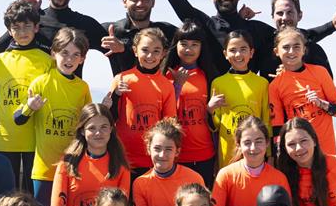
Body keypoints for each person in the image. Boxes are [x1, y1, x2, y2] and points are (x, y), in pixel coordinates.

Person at [14, 28, 92, 206]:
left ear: (82, 59)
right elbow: (18, 118)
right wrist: (30, 107)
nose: (69, 59)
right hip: (44, 167)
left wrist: (103, 109)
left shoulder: (82, 87)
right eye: (64, 53)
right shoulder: (41, 83)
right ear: (53, 53)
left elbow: (87, 126)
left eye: (75, 54)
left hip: (72, 166)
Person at [0, 0, 54, 192]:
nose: (22, 32)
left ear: (36, 27)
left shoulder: (47, 60)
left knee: (33, 196)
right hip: (5, 138)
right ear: (9, 30)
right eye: (16, 27)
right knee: (7, 194)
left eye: (27, 26)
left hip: (36, 139)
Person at [105, 28, 176, 179]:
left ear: (163, 54)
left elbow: (169, 125)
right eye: (145, 50)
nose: (150, 56)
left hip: (152, 159)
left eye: (156, 51)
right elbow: (109, 118)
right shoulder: (122, 79)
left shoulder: (166, 85)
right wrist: (117, 95)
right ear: (135, 51)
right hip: (122, 157)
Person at [269, 27, 336, 155]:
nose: (291, 51)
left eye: (296, 46)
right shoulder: (274, 86)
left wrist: (322, 104)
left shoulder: (320, 72)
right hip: (299, 155)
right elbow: (277, 127)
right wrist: (278, 156)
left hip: (327, 153)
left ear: (304, 50)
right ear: (276, 51)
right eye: (286, 47)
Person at [163, 20, 219, 185]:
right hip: (176, 154)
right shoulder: (166, 75)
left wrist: (210, 110)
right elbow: (165, 110)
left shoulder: (208, 75)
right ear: (176, 45)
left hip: (205, 153)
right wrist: (178, 84)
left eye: (195, 44)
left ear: (202, 47)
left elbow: (216, 120)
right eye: (184, 43)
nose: (189, 49)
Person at [133, 118, 205, 206]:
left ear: (177, 151)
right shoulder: (140, 183)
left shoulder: (194, 178)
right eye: (157, 149)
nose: (162, 155)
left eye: (168, 149)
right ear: (148, 149)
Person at [210, 30, 271, 170]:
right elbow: (216, 125)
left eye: (243, 49)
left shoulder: (261, 83)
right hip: (227, 151)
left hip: (255, 149)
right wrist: (210, 109)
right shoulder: (218, 83)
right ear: (225, 54)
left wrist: (269, 154)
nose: (238, 54)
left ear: (251, 52)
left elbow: (266, 121)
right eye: (233, 50)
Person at [256, 0, 336, 79]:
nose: (284, 17)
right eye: (279, 13)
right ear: (272, 16)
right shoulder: (264, 45)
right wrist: (241, 17)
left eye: (290, 12)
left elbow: (328, 88)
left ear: (299, 15)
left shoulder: (314, 50)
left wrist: (294, 76)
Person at [102, 0, 179, 75]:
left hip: (162, 90)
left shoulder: (167, 32)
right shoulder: (111, 31)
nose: (140, 4)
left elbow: (196, 42)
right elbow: (77, 39)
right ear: (124, 2)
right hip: (121, 90)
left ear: (153, 2)